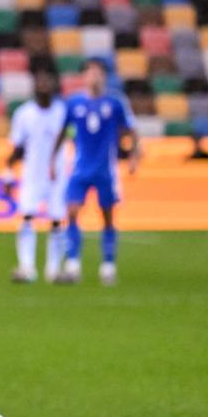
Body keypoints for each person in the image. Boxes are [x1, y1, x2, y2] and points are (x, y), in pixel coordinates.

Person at [52, 58, 141, 286]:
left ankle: (108, 266)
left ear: (104, 76)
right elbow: (61, 132)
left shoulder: (115, 103)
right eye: (90, 72)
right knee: (71, 212)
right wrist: (52, 159)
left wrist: (133, 155)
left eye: (98, 72)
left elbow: (131, 130)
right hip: (80, 168)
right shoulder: (73, 104)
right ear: (83, 76)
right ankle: (73, 265)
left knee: (107, 217)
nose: (94, 76)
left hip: (105, 170)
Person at [1, 72, 69, 283]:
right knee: (27, 217)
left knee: (57, 220)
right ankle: (27, 267)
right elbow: (18, 147)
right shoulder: (24, 114)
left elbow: (72, 135)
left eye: (47, 84)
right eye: (40, 85)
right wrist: (8, 172)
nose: (44, 88)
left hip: (57, 175)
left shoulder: (62, 112)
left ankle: (53, 269)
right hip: (32, 174)